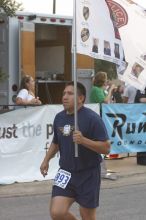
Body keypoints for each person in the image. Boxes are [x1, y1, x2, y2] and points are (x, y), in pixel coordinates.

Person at [40, 81, 110, 220]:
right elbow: (56, 142)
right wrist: (46, 160)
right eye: (64, 93)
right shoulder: (59, 117)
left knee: (87, 217)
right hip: (66, 172)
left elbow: (106, 147)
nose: (65, 97)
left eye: (70, 93)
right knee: (57, 212)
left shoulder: (92, 118)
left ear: (81, 98)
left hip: (88, 174)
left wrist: (84, 141)